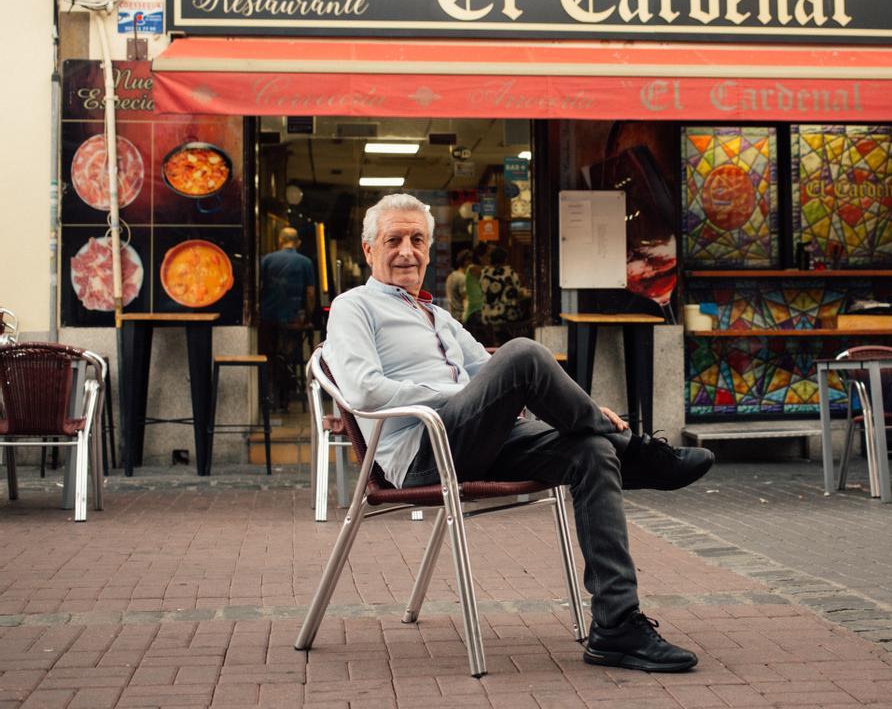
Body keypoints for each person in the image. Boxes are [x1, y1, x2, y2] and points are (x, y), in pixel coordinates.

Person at [325, 193, 714, 673]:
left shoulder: (439, 316)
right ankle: (639, 452)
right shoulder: (353, 307)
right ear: (368, 250)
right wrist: (460, 396)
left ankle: (616, 627)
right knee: (524, 353)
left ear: (429, 248)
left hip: (481, 442)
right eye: (394, 240)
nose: (407, 250)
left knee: (591, 450)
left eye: (417, 239)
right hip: (423, 452)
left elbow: (494, 376)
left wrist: (565, 410)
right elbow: (362, 391)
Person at [260, 227, 315, 410]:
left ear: (280, 240)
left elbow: (259, 287)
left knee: (271, 358)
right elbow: (310, 293)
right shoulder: (305, 262)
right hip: (293, 320)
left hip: (268, 317)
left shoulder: (267, 260)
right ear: (297, 242)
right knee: (289, 358)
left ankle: (271, 398)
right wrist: (308, 317)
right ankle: (287, 397)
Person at [480, 246, 530, 343]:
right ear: (505, 259)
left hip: (488, 315)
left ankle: (496, 341)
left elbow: (483, 290)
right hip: (507, 314)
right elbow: (518, 291)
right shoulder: (510, 272)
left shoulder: (484, 273)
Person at [445, 248, 471, 321]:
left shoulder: (451, 276)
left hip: (452, 316)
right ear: (466, 262)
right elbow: (465, 300)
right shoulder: (462, 278)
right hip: (460, 317)